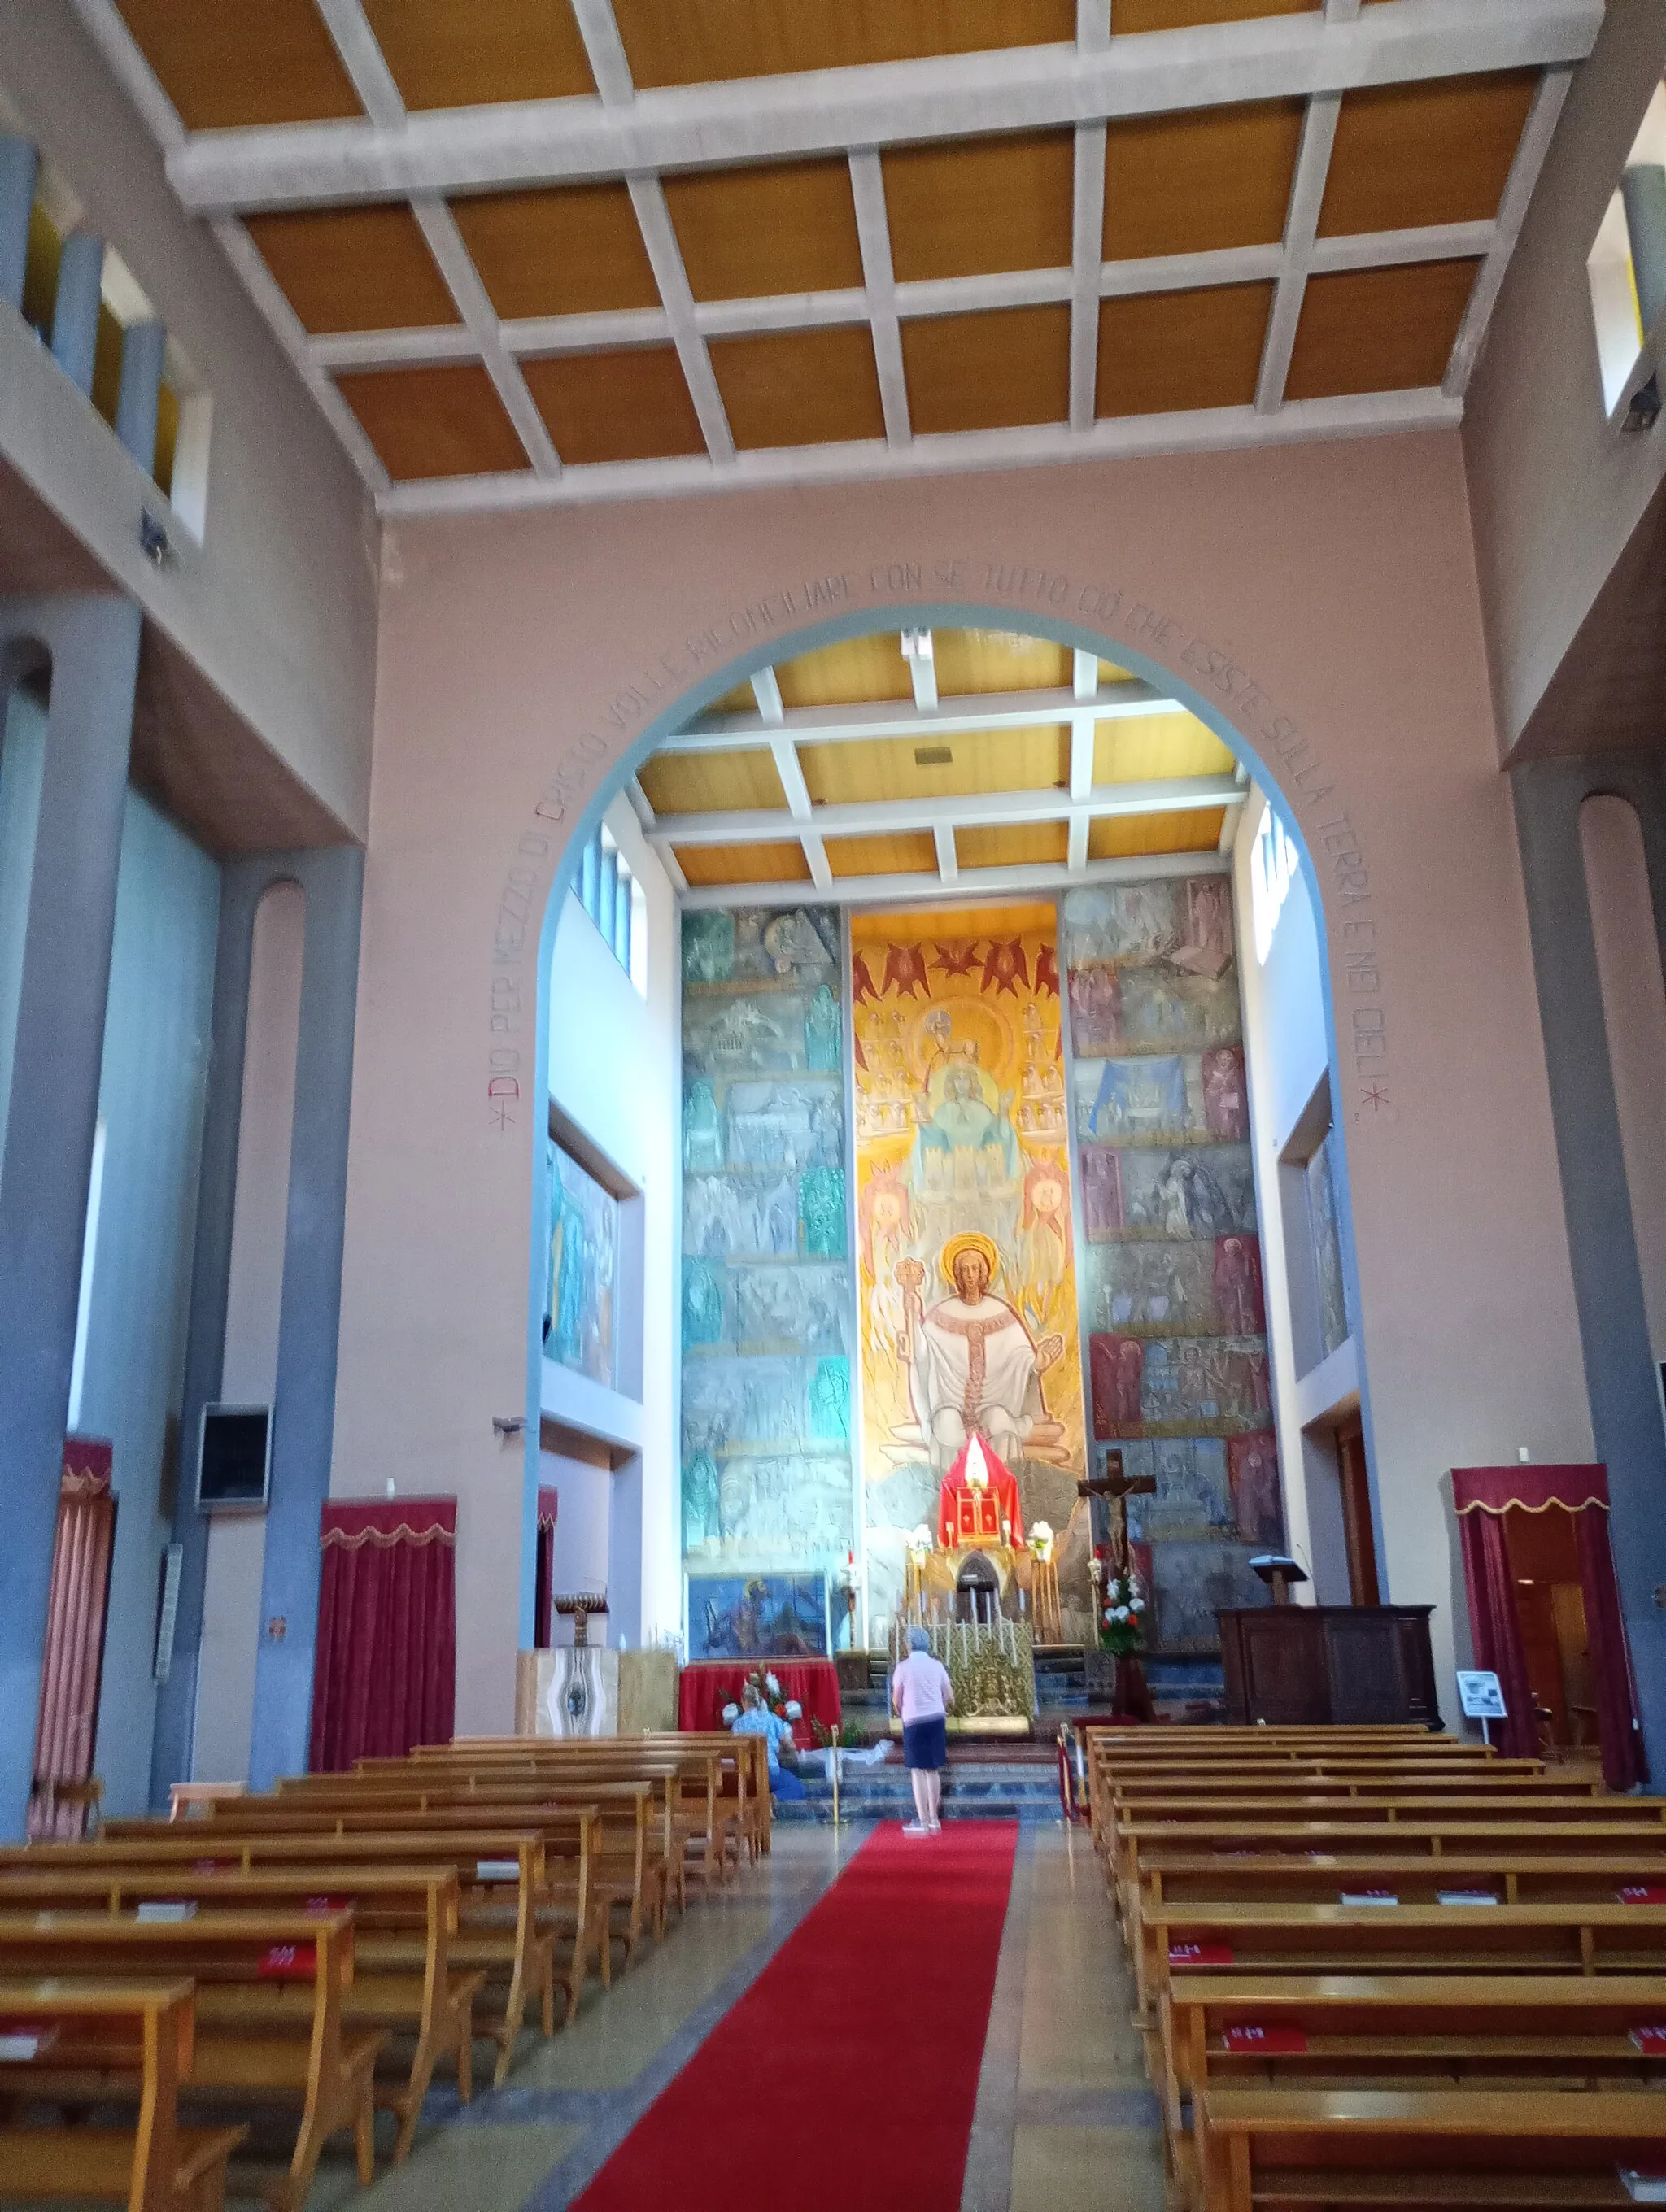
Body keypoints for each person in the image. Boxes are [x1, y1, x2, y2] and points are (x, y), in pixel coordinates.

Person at [891, 1626, 953, 1835]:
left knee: (918, 1770)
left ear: (909, 1645)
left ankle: (923, 1820)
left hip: (914, 1720)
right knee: (933, 1769)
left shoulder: (903, 1667)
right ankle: (935, 1819)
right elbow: (949, 1696)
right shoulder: (937, 1666)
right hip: (936, 1719)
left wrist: (901, 1711)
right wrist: (939, 1706)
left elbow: (896, 1698)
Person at [728, 1683, 806, 1801]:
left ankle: (759, 1801)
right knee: (797, 1788)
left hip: (748, 1775)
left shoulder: (738, 1724)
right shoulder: (772, 1718)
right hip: (770, 1771)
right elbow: (790, 1746)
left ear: (743, 1701)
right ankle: (772, 1799)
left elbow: (734, 1753)